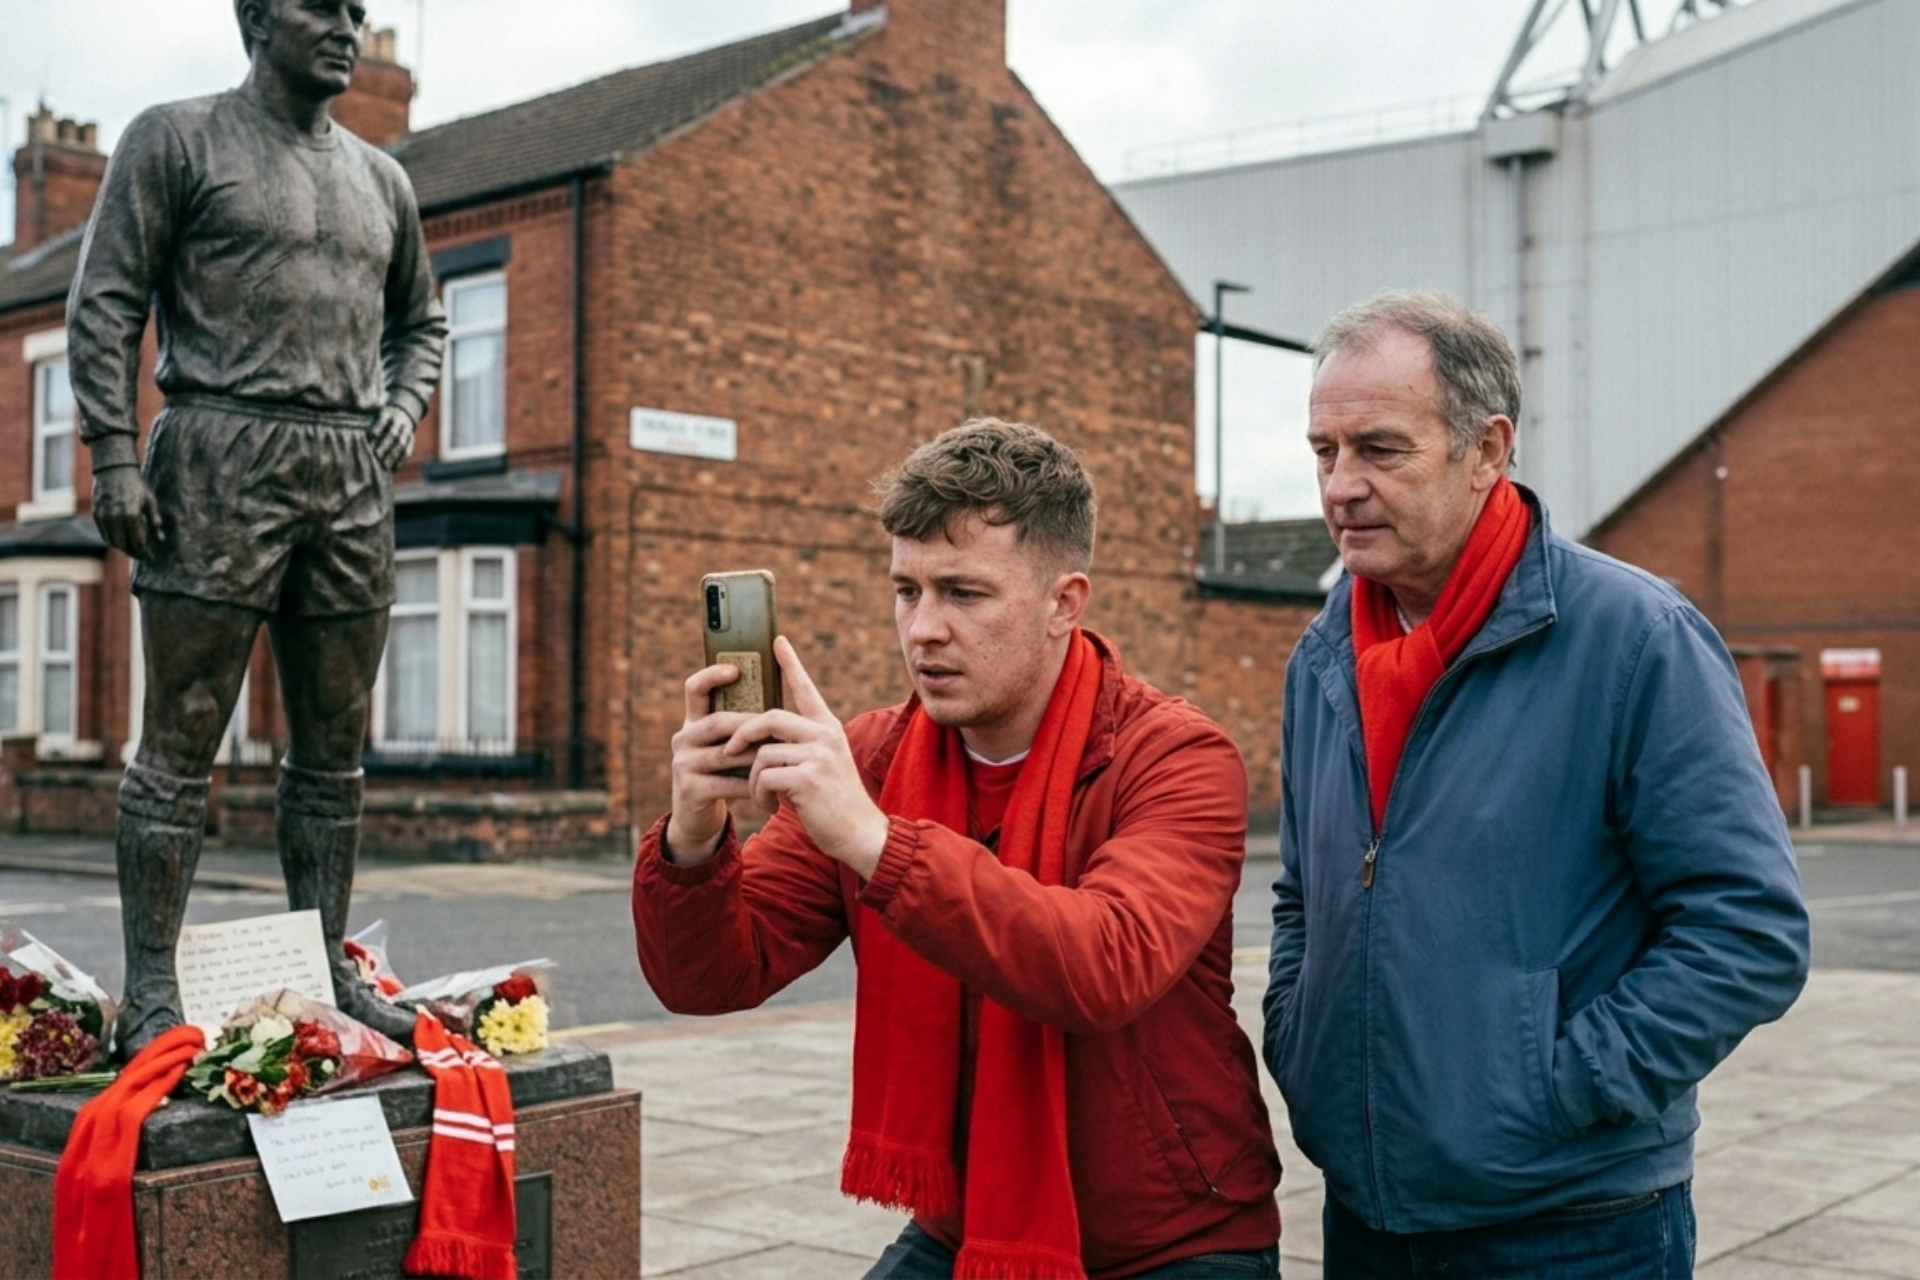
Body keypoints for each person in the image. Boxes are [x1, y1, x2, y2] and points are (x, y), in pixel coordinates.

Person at [633, 420, 1283, 1279]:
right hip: (960, 1230)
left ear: (1064, 602)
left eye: (964, 594)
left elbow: (1103, 965)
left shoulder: (1176, 757)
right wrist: (694, 832)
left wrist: (873, 839)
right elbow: (708, 978)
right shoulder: (869, 757)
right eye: (907, 591)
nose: (924, 629)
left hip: (1173, 1241)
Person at [1264, 289, 1810, 1278]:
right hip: (1368, 1210)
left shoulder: (1637, 640)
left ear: (1487, 448)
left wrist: (1555, 1085)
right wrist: (1303, 1048)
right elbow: (1305, 893)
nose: (1340, 485)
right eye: (1323, 451)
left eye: (1380, 449)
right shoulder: (1322, 657)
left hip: (1573, 1225)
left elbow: (1748, 928)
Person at [67, 0, 446, 1051]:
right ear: (253, 17)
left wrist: (402, 412)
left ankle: (325, 968)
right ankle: (151, 989)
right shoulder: (176, 137)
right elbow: (104, 300)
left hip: (349, 470)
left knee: (334, 752)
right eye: (320, 6)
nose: (347, 27)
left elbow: (422, 321)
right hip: (217, 453)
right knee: (181, 739)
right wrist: (109, 447)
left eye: (359, 12)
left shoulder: (385, 182)